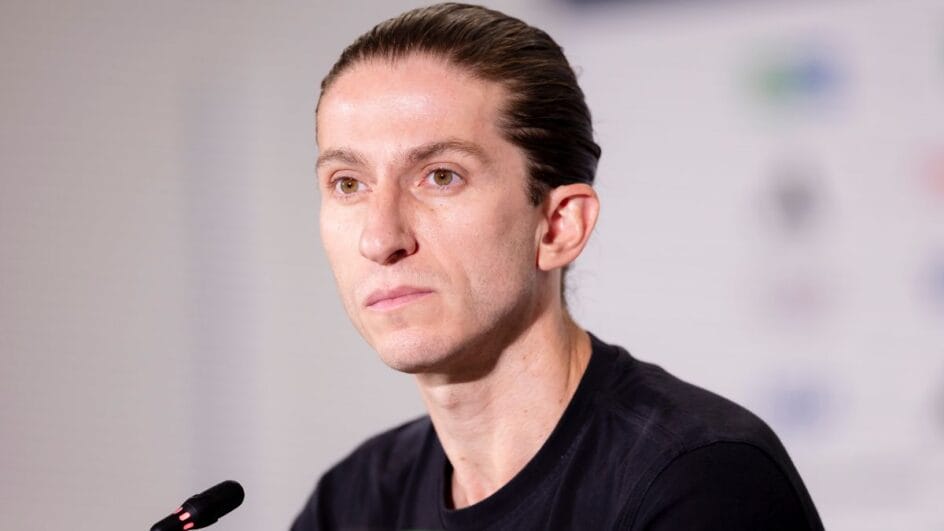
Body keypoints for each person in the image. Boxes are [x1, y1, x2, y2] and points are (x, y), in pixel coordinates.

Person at [292, 3, 824, 530]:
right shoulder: (352, 501)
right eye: (348, 183)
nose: (380, 237)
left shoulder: (702, 480)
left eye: (441, 176)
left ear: (558, 225)